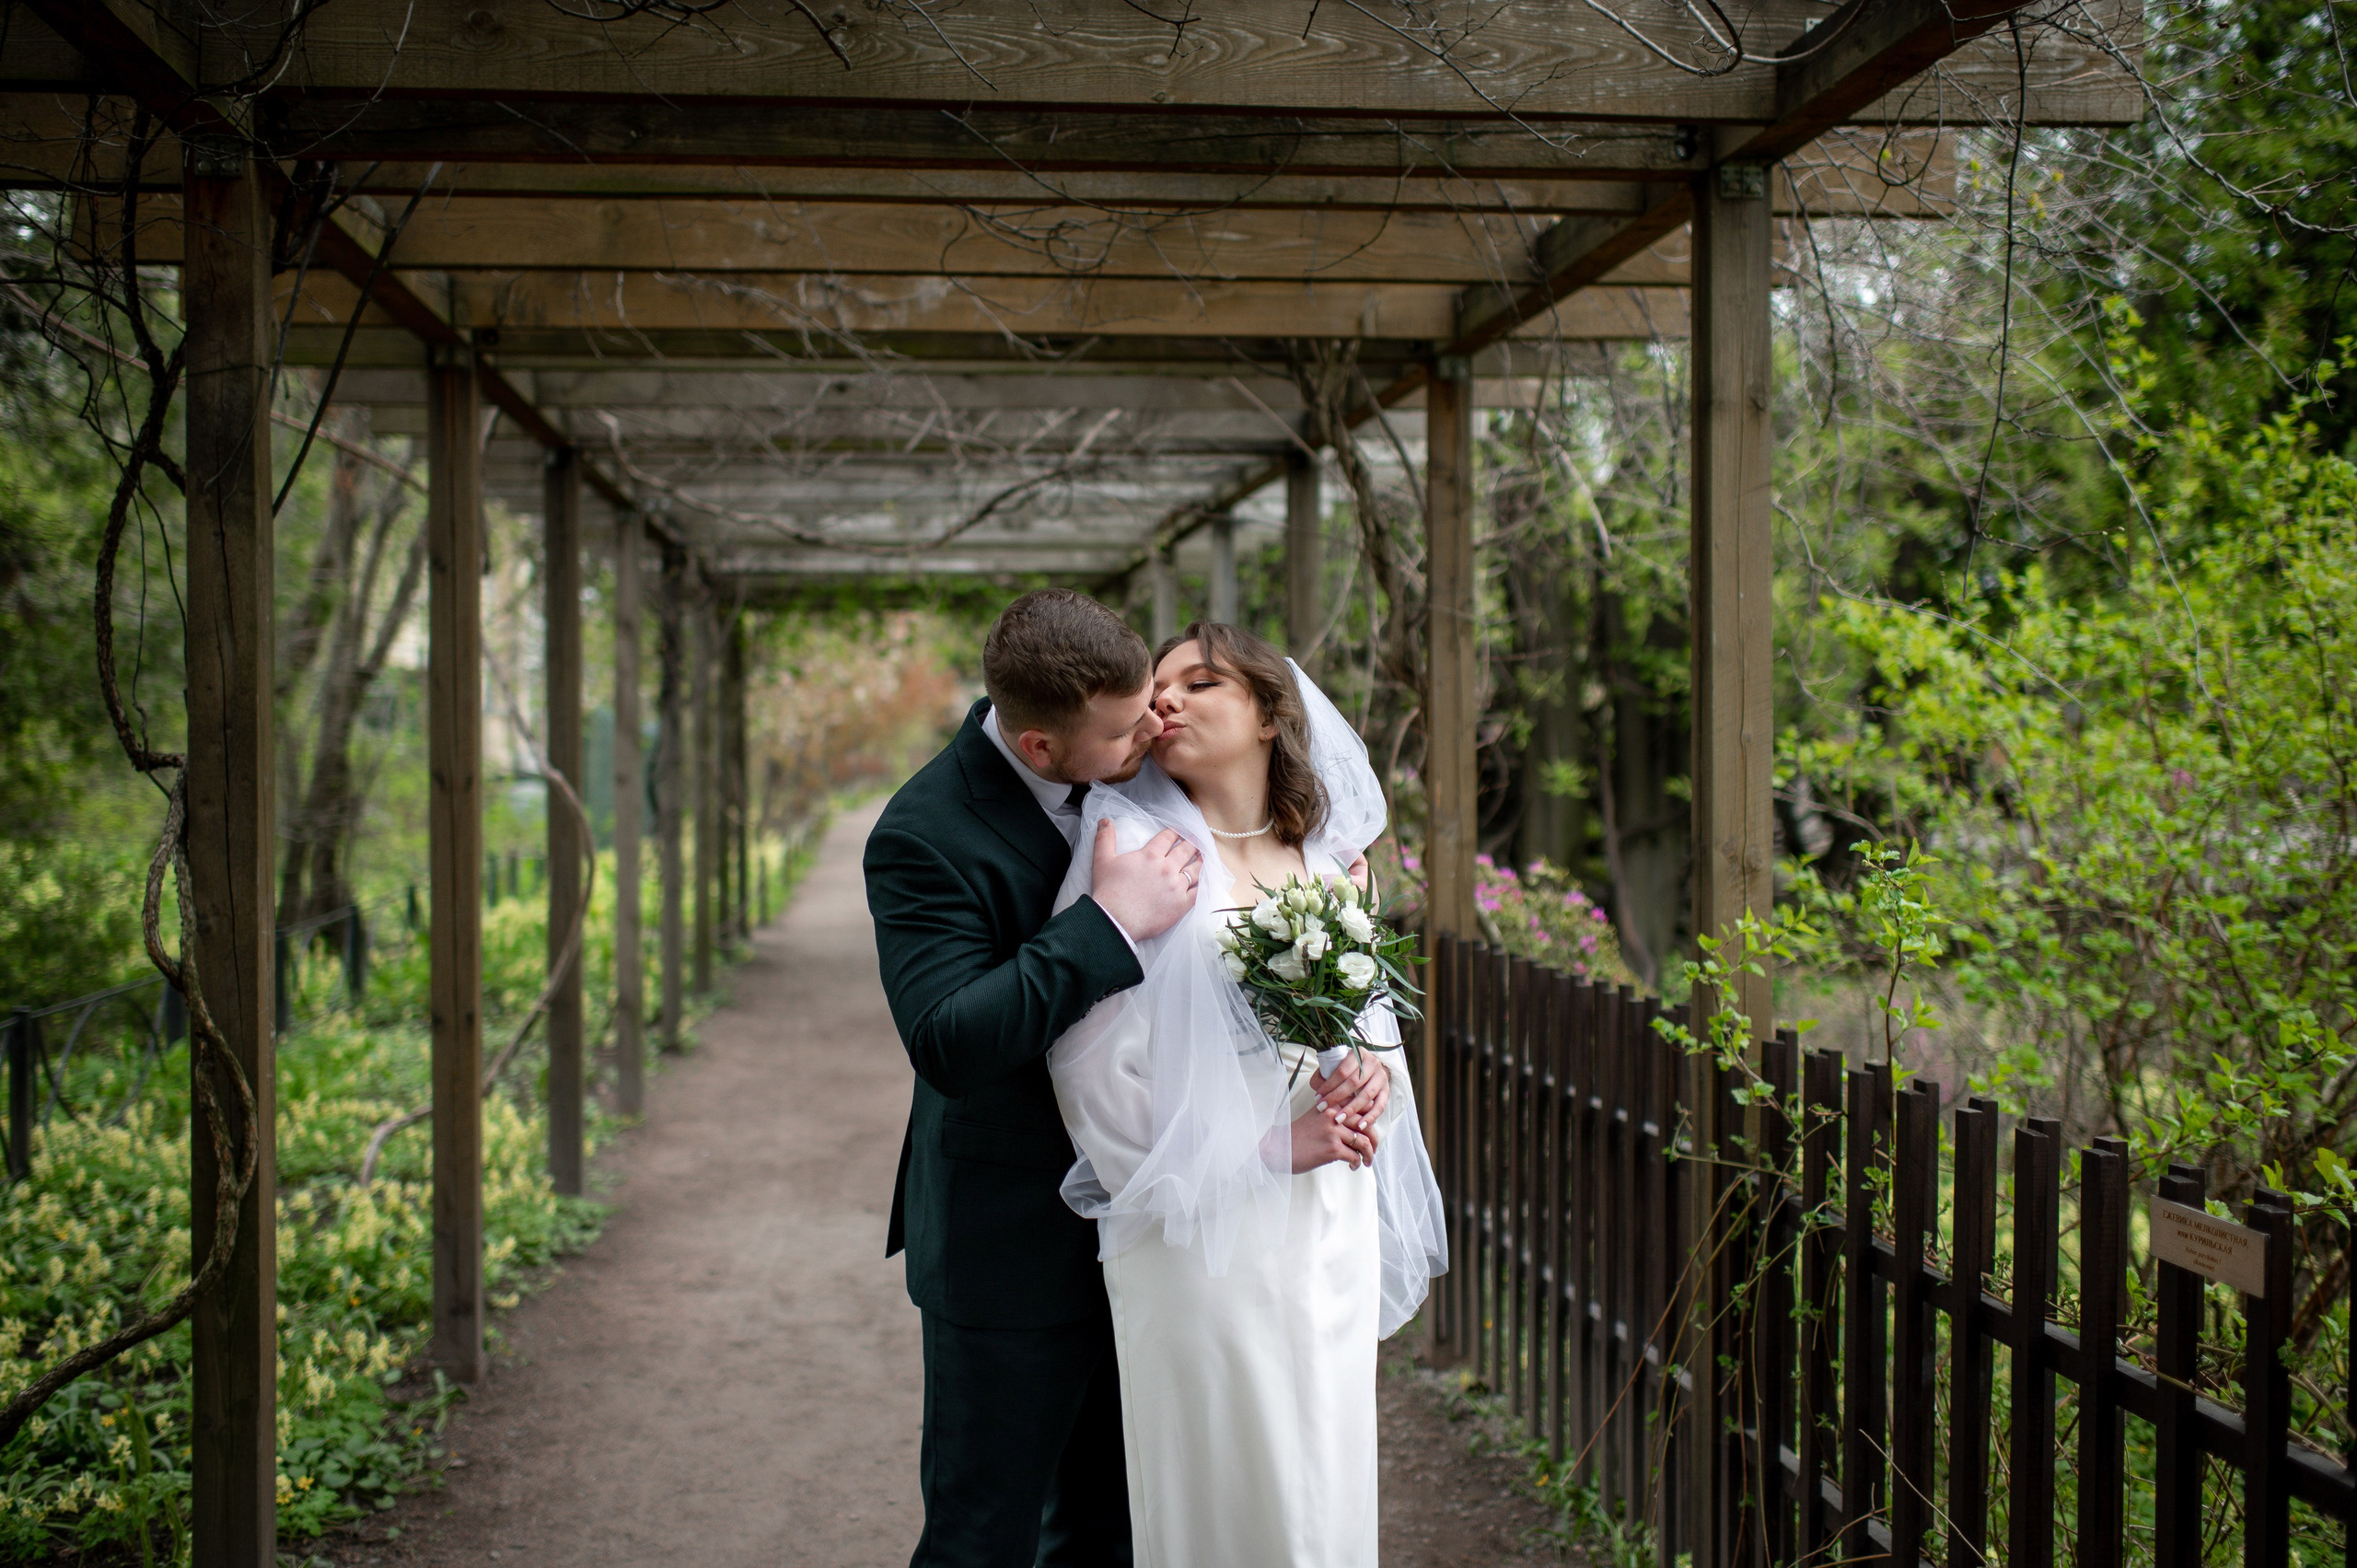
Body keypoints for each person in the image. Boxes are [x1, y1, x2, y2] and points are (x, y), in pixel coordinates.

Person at [864, 591, 1391, 1568]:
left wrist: (1345, 1049)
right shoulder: (925, 832)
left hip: (1186, 1238)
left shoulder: (1176, 784)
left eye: (1162, 697)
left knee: (1123, 1525)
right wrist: (1105, 923)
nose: (1155, 725)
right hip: (1018, 1232)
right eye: (1128, 723)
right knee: (986, 1529)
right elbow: (946, 1039)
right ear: (1039, 745)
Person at [1046, 621, 1450, 1568]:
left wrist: (1371, 1083)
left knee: (1322, 1467)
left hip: (1326, 1219)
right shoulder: (1132, 847)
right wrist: (1265, 1148)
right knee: (1228, 1467)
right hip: (1198, 1218)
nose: (1166, 699)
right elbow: (1087, 1061)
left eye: (1201, 682)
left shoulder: (1326, 863)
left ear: (1270, 715)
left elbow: (1369, 1026)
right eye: (1159, 688)